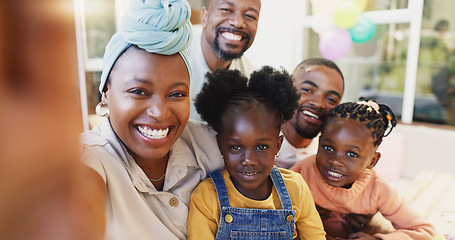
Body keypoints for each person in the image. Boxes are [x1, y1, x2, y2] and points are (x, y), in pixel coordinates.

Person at [80, 0, 223, 239]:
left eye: (177, 94)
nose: (159, 112)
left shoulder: (209, 145)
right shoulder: (91, 156)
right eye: (139, 92)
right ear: (106, 92)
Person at [187, 66, 326, 239]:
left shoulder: (295, 188)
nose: (249, 160)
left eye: (261, 147)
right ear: (220, 145)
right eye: (235, 147)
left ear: (277, 145)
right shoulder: (207, 196)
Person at [291, 98, 438, 240]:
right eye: (328, 147)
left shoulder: (377, 189)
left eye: (351, 154)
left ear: (372, 161)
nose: (335, 161)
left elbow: (425, 231)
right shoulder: (302, 172)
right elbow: (273, 213)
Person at [188, 0, 261, 120]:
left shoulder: (249, 78)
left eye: (250, 16)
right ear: (205, 16)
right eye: (226, 10)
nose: (238, 23)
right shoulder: (172, 53)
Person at [276, 58, 345, 169]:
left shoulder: (330, 159)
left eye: (331, 99)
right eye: (307, 90)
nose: (318, 104)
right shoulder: (255, 140)